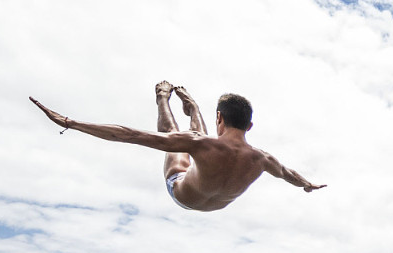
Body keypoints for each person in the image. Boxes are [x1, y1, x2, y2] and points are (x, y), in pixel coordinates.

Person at [29, 83, 325, 212]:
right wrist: (308, 185)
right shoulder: (264, 160)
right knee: (195, 140)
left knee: (178, 136)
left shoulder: (201, 143)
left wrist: (70, 122)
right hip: (214, 207)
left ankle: (162, 97)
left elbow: (128, 135)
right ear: (249, 126)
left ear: (219, 118)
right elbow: (290, 174)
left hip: (180, 191)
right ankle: (192, 104)